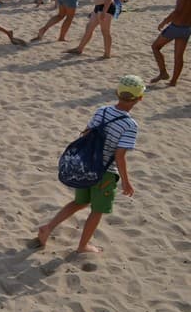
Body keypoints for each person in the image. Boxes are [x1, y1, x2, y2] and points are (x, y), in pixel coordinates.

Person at [36, 75, 143, 254]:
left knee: (80, 201)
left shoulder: (102, 111)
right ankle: (83, 246)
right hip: (105, 172)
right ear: (140, 98)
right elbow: (119, 156)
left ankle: (48, 227)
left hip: (86, 166)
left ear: (117, 92)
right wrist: (126, 181)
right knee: (97, 209)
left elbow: (85, 133)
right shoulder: (130, 125)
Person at [150, 0, 191, 86]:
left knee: (155, 47)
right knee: (179, 56)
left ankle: (163, 72)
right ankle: (173, 81)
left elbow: (177, 12)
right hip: (187, 29)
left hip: (175, 27)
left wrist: (164, 21)